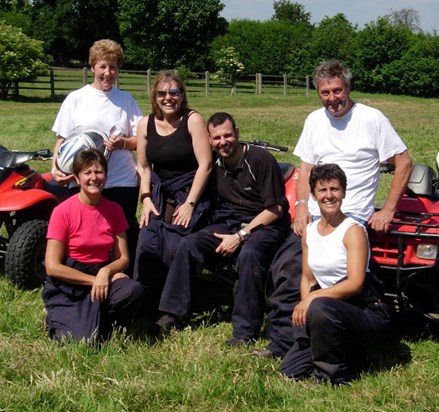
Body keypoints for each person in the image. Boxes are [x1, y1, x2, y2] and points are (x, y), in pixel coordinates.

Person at [154, 112, 291, 346]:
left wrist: (240, 236)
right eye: (217, 138)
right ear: (209, 140)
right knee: (190, 244)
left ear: (237, 133)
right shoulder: (213, 164)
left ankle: (244, 331)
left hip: (265, 225)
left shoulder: (260, 159)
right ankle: (173, 313)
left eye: (227, 135)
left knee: (249, 254)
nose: (223, 142)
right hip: (228, 222)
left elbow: (276, 209)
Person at [280, 164, 389, 384]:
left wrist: (312, 299)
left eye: (335, 189)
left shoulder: (353, 231)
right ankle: (350, 355)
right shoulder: (309, 232)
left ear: (344, 193)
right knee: (290, 370)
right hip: (326, 312)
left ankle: (330, 377)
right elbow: (307, 278)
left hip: (362, 309)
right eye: (322, 190)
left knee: (320, 307)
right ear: (313, 195)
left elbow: (356, 283)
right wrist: (305, 310)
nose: (329, 195)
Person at [50, 39, 143, 269]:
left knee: (120, 233)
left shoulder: (126, 101)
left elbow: (141, 140)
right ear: (92, 67)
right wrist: (55, 168)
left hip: (121, 180)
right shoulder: (75, 99)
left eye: (113, 67)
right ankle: (74, 278)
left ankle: (122, 279)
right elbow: (62, 140)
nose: (108, 73)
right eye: (103, 66)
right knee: (81, 233)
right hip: (84, 180)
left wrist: (122, 143)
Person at [293, 59, 412, 236]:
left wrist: (388, 210)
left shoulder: (372, 119)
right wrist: (301, 206)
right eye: (325, 93)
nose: (332, 98)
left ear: (348, 88)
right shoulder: (314, 120)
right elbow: (306, 169)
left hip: (353, 214)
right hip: (316, 213)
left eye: (337, 91)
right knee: (287, 260)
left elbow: (404, 163)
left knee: (332, 259)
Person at [42, 149, 147, 343]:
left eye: (99, 172)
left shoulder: (114, 210)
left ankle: (101, 320)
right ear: (77, 178)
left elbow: (123, 258)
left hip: (101, 274)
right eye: (87, 173)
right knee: (81, 341)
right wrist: (95, 280)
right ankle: (56, 316)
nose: (94, 178)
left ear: (106, 175)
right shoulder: (62, 211)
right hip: (70, 281)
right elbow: (52, 266)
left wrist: (106, 272)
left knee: (133, 290)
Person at [133, 70, 212, 311]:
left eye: (174, 92)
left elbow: (205, 165)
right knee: (146, 241)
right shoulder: (145, 124)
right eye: (162, 93)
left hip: (190, 192)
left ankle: (173, 304)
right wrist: (145, 198)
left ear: (182, 95)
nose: (168, 98)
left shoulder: (193, 120)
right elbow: (144, 166)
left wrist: (189, 203)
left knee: (173, 245)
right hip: (158, 193)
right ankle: (142, 297)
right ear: (154, 97)